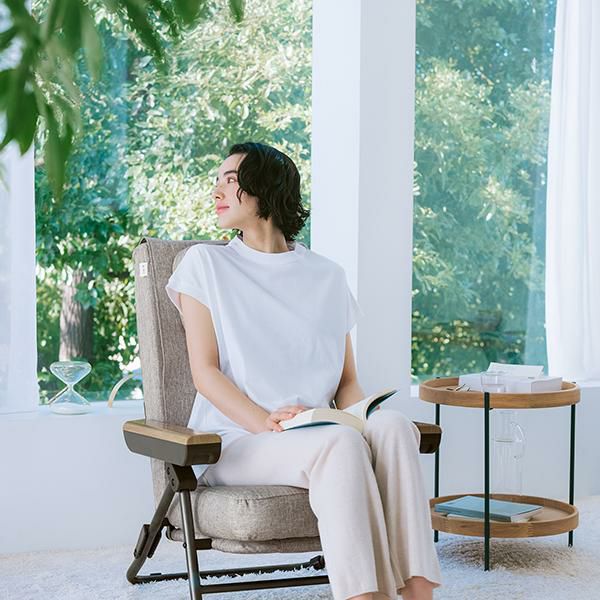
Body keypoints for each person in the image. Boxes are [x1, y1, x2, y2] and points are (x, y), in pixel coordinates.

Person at [165, 142, 442, 600]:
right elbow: (205, 373)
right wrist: (265, 421)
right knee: (340, 444)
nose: (217, 190)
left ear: (266, 188)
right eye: (217, 180)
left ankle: (417, 593)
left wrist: (364, 415)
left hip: (316, 428)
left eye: (231, 180)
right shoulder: (205, 264)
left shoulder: (326, 275)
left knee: (393, 427)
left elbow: (346, 382)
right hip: (239, 438)